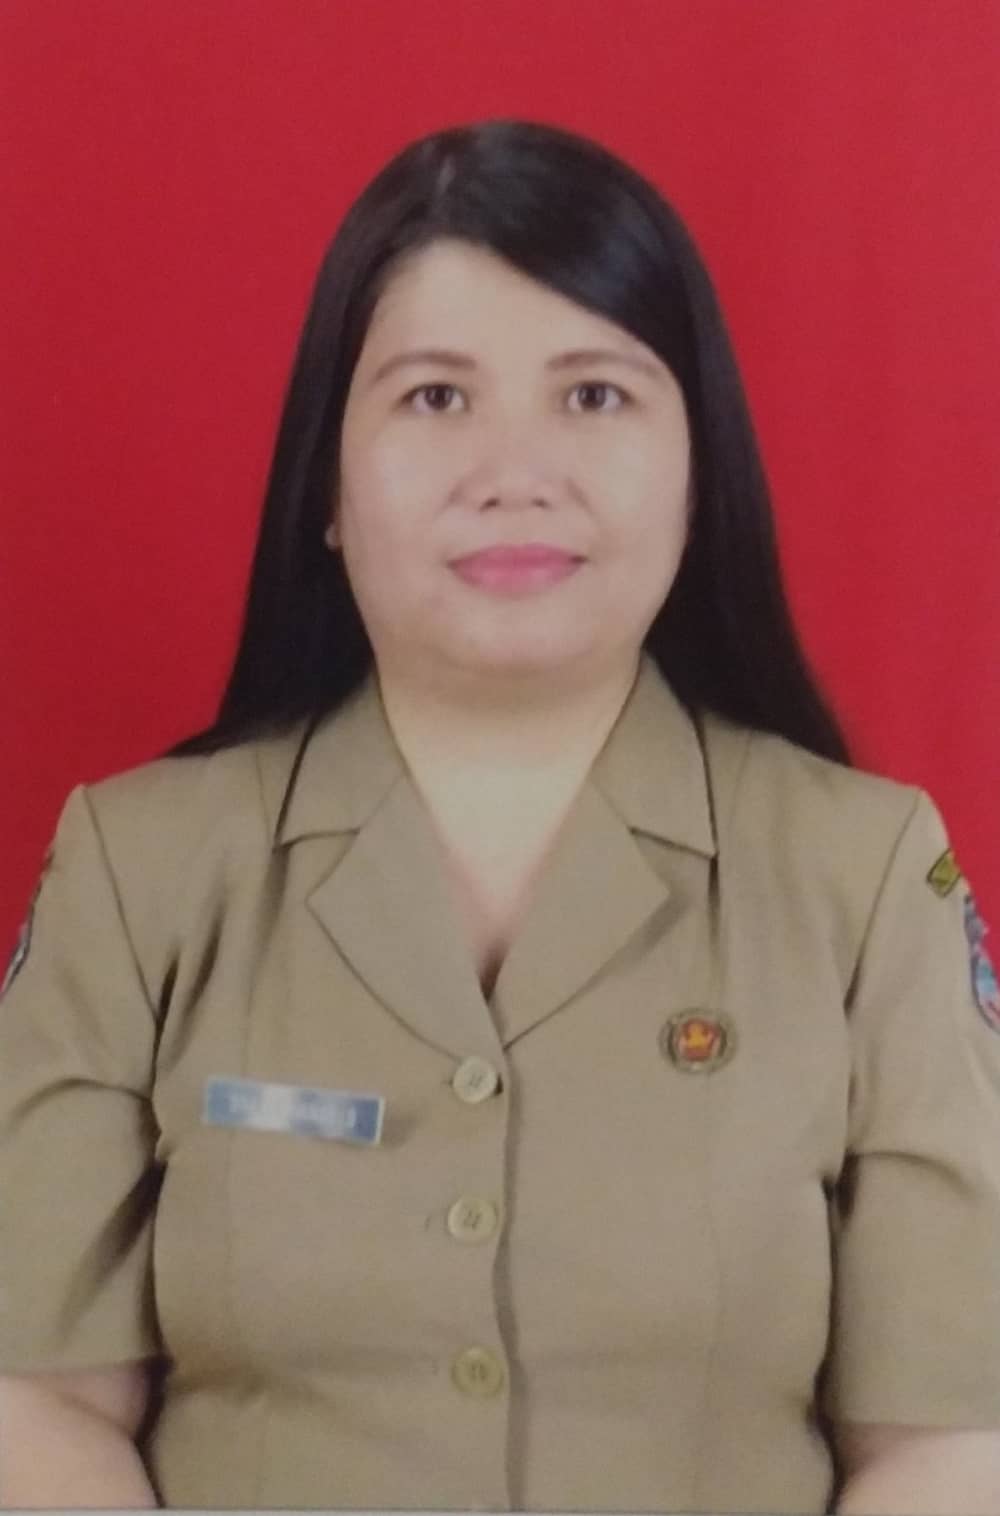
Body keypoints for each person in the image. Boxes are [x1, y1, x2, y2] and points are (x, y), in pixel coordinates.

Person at [0, 115, 998, 1515]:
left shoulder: (867, 878)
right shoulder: (140, 870)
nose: (513, 470)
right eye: (434, 397)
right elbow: (34, 1403)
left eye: (593, 395)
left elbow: (946, 1443)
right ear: (327, 485)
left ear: (698, 472)